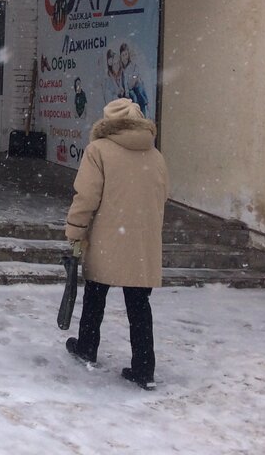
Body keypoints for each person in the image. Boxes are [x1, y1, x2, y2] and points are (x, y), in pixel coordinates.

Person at [64, 97, 170, 390]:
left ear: (108, 122)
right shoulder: (155, 155)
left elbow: (86, 197)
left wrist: (75, 230)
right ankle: (144, 368)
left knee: (95, 296)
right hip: (142, 242)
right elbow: (161, 197)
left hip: (107, 238)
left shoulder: (98, 150)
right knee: (139, 305)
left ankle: (87, 347)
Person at [120, 43, 149, 117]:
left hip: (136, 95)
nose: (125, 57)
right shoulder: (122, 70)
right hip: (128, 96)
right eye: (123, 55)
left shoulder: (134, 67)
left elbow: (133, 82)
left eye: (126, 54)